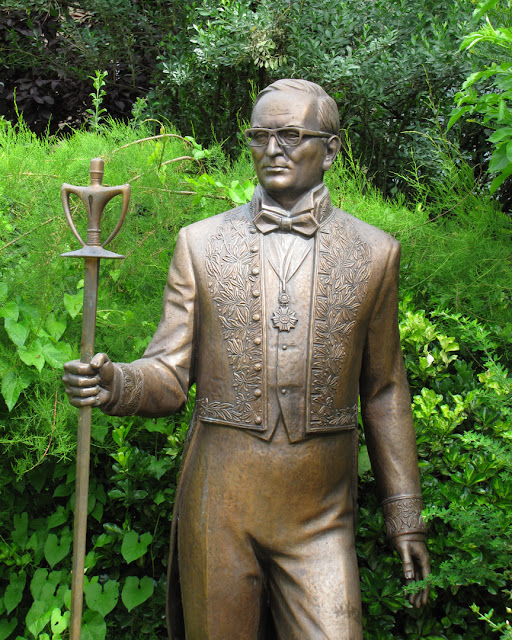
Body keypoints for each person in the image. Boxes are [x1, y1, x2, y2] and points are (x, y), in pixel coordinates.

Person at [63, 79, 430, 640]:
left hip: (321, 516)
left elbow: (383, 390)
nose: (273, 149)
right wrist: (115, 384)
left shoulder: (375, 253)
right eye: (260, 136)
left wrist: (405, 517)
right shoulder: (201, 244)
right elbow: (168, 373)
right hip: (220, 506)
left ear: (331, 149)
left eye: (290, 134)